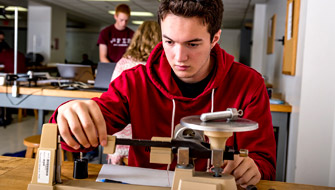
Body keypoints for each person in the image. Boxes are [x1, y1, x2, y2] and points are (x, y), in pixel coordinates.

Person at [50, 0, 276, 187]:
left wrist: (253, 168)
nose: (179, 57)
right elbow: (76, 140)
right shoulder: (133, 82)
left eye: (193, 44)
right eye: (169, 41)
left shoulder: (249, 84)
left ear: (214, 39)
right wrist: (69, 116)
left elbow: (265, 164)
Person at [108, 20, 161, 165]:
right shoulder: (159, 67)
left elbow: (111, 95)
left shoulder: (123, 63)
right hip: (149, 137)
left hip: (120, 136)